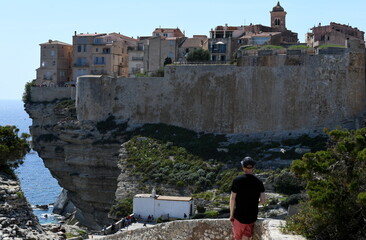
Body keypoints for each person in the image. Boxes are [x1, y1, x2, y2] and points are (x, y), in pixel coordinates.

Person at [230, 156, 266, 240]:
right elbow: (263, 201)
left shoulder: (237, 180)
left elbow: (232, 199)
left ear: (243, 167)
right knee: (246, 236)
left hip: (239, 215)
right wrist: (253, 202)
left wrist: (231, 215)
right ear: (253, 168)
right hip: (252, 216)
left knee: (238, 237)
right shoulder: (259, 182)